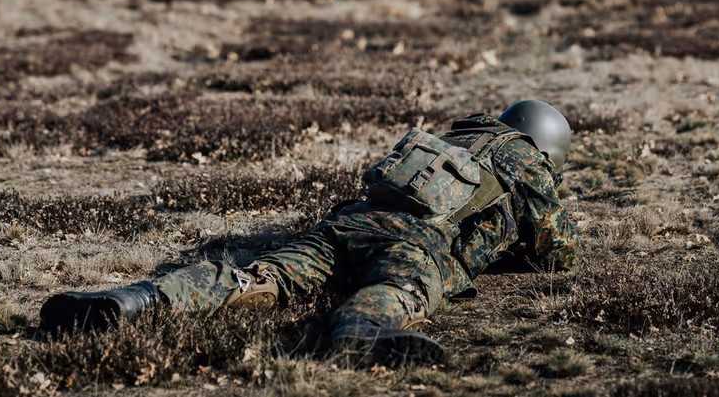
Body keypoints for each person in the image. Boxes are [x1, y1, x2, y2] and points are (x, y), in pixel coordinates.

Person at [40, 100, 579, 366]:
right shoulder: (524, 159)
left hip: (347, 223)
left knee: (262, 276)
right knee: (401, 289)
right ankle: (359, 332)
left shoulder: (454, 136)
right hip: (417, 242)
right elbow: (557, 250)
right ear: (548, 145)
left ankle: (133, 300)